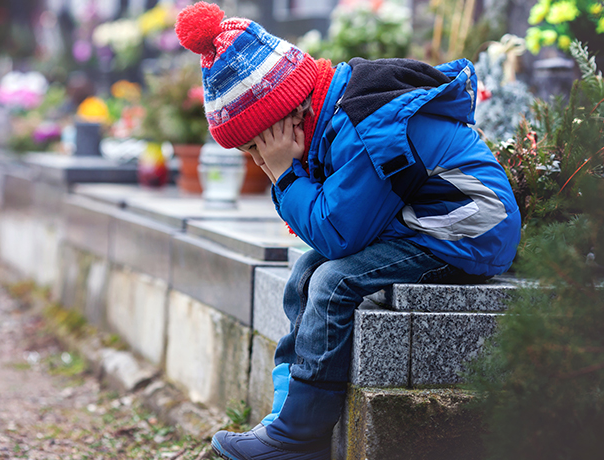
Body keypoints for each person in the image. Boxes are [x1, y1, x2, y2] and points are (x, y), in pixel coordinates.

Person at [175, 3, 521, 459]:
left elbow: (337, 235)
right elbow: (328, 229)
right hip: (418, 221)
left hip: (466, 230)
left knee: (334, 281)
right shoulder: (331, 114)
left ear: (287, 117)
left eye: (256, 144)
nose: (257, 158)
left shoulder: (361, 128)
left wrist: (284, 174)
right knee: (306, 272)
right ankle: (285, 416)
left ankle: (299, 440)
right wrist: (288, 173)